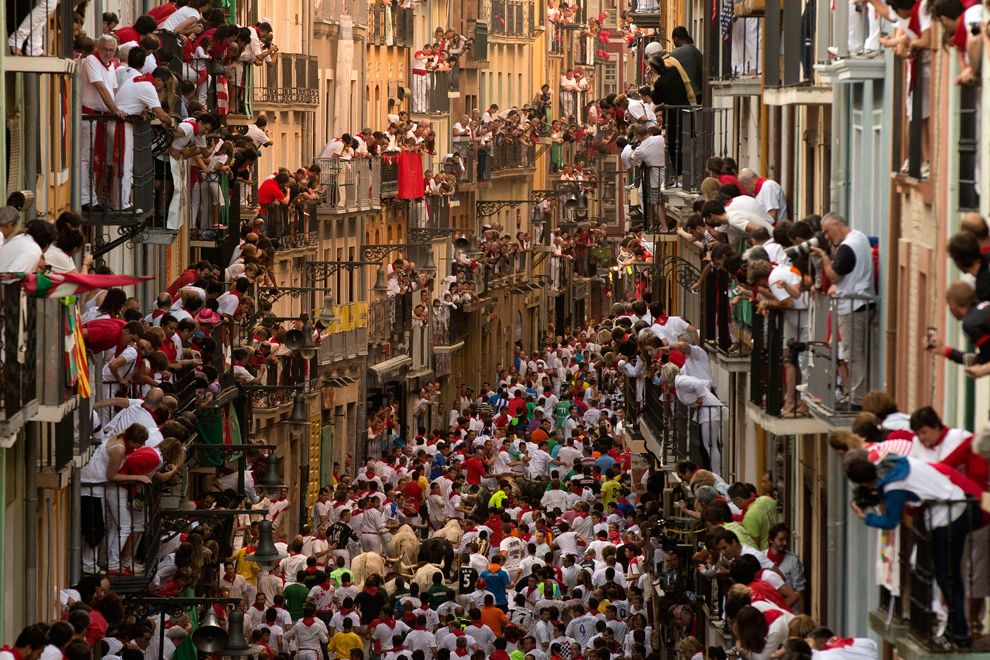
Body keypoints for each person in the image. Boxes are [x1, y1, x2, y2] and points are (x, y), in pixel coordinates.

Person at [845, 449, 980, 647]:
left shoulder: (894, 485)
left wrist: (866, 516)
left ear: (865, 482)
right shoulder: (892, 463)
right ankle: (956, 629)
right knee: (948, 578)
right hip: (952, 508)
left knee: (947, 578)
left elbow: (891, 520)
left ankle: (959, 633)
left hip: (949, 517)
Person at [812, 212, 876, 407]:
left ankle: (857, 400)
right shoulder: (861, 238)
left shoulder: (848, 247)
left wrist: (823, 258)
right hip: (863, 302)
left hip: (852, 307)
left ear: (837, 225)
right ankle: (860, 395)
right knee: (861, 354)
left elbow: (835, 277)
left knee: (853, 355)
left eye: (827, 231)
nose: (826, 236)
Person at [928, 281, 990, 378]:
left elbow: (986, 359)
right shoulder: (984, 306)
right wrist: (946, 351)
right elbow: (985, 358)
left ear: (953, 304)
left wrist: (982, 370)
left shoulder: (971, 324)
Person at [669, 26, 703, 100]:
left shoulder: (675, 54)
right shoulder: (697, 52)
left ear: (676, 39)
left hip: (686, 95)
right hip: (699, 93)